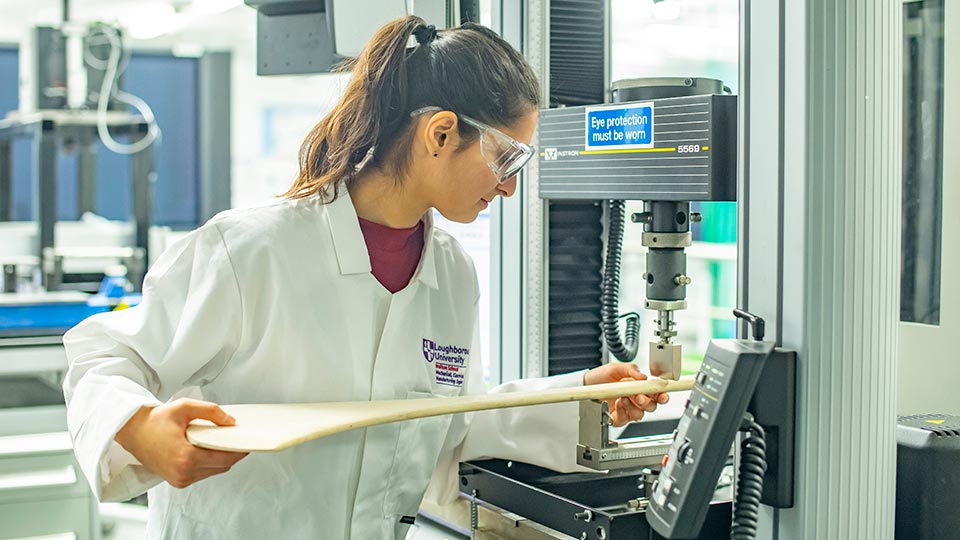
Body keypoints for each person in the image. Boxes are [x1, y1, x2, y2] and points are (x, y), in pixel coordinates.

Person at [62, 16, 668, 540]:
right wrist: (141, 428)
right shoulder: (250, 249)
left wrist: (582, 397)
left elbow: (449, 426)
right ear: (440, 133)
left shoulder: (452, 273)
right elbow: (102, 356)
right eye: (507, 158)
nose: (510, 185)